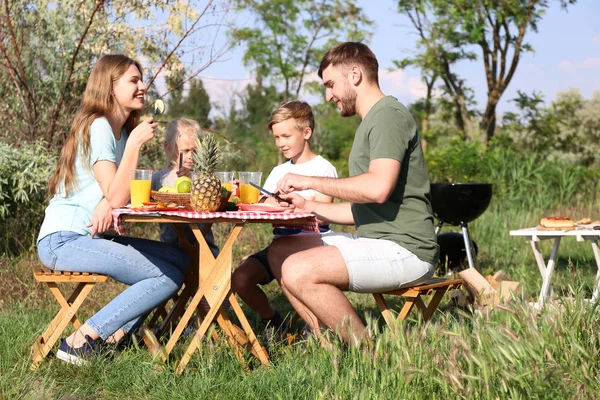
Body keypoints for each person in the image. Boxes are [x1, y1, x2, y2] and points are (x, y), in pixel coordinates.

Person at [269, 42, 439, 345]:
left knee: (297, 269)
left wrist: (308, 180)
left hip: (406, 250)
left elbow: (376, 188)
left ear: (356, 74)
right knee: (281, 251)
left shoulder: (387, 116)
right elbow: (361, 209)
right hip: (377, 240)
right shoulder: (370, 121)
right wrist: (307, 205)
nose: (328, 95)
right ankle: (323, 341)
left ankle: (367, 354)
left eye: (331, 84)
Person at [36, 54, 190, 365]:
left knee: (182, 259)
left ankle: (114, 336)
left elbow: (116, 194)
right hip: (63, 240)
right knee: (165, 276)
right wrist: (133, 148)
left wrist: (109, 199)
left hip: (89, 238)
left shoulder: (119, 132)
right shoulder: (100, 127)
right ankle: (82, 339)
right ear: (110, 87)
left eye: (141, 80)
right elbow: (118, 194)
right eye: (134, 80)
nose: (143, 86)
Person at [230, 100, 337, 339]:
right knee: (241, 279)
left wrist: (293, 203)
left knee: (294, 275)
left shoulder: (324, 169)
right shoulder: (278, 172)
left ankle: (318, 328)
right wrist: (244, 193)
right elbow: (264, 203)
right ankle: (273, 321)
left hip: (312, 247)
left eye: (286, 136)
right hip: (280, 245)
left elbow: (322, 217)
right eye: (277, 138)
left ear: (306, 132)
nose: (280, 143)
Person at [151, 118, 219, 256]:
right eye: (185, 151)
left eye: (195, 151)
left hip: (204, 249)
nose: (191, 157)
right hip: (170, 249)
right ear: (168, 147)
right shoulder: (158, 179)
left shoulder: (203, 180)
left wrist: (192, 178)